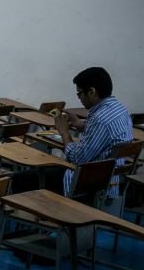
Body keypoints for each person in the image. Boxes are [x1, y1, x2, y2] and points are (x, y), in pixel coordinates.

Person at [52, 66, 133, 198]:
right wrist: (80, 125)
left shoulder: (100, 119)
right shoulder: (119, 109)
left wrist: (64, 132)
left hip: (90, 185)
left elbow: (78, 158)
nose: (79, 98)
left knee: (27, 178)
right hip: (110, 180)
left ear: (91, 92)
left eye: (79, 93)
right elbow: (106, 134)